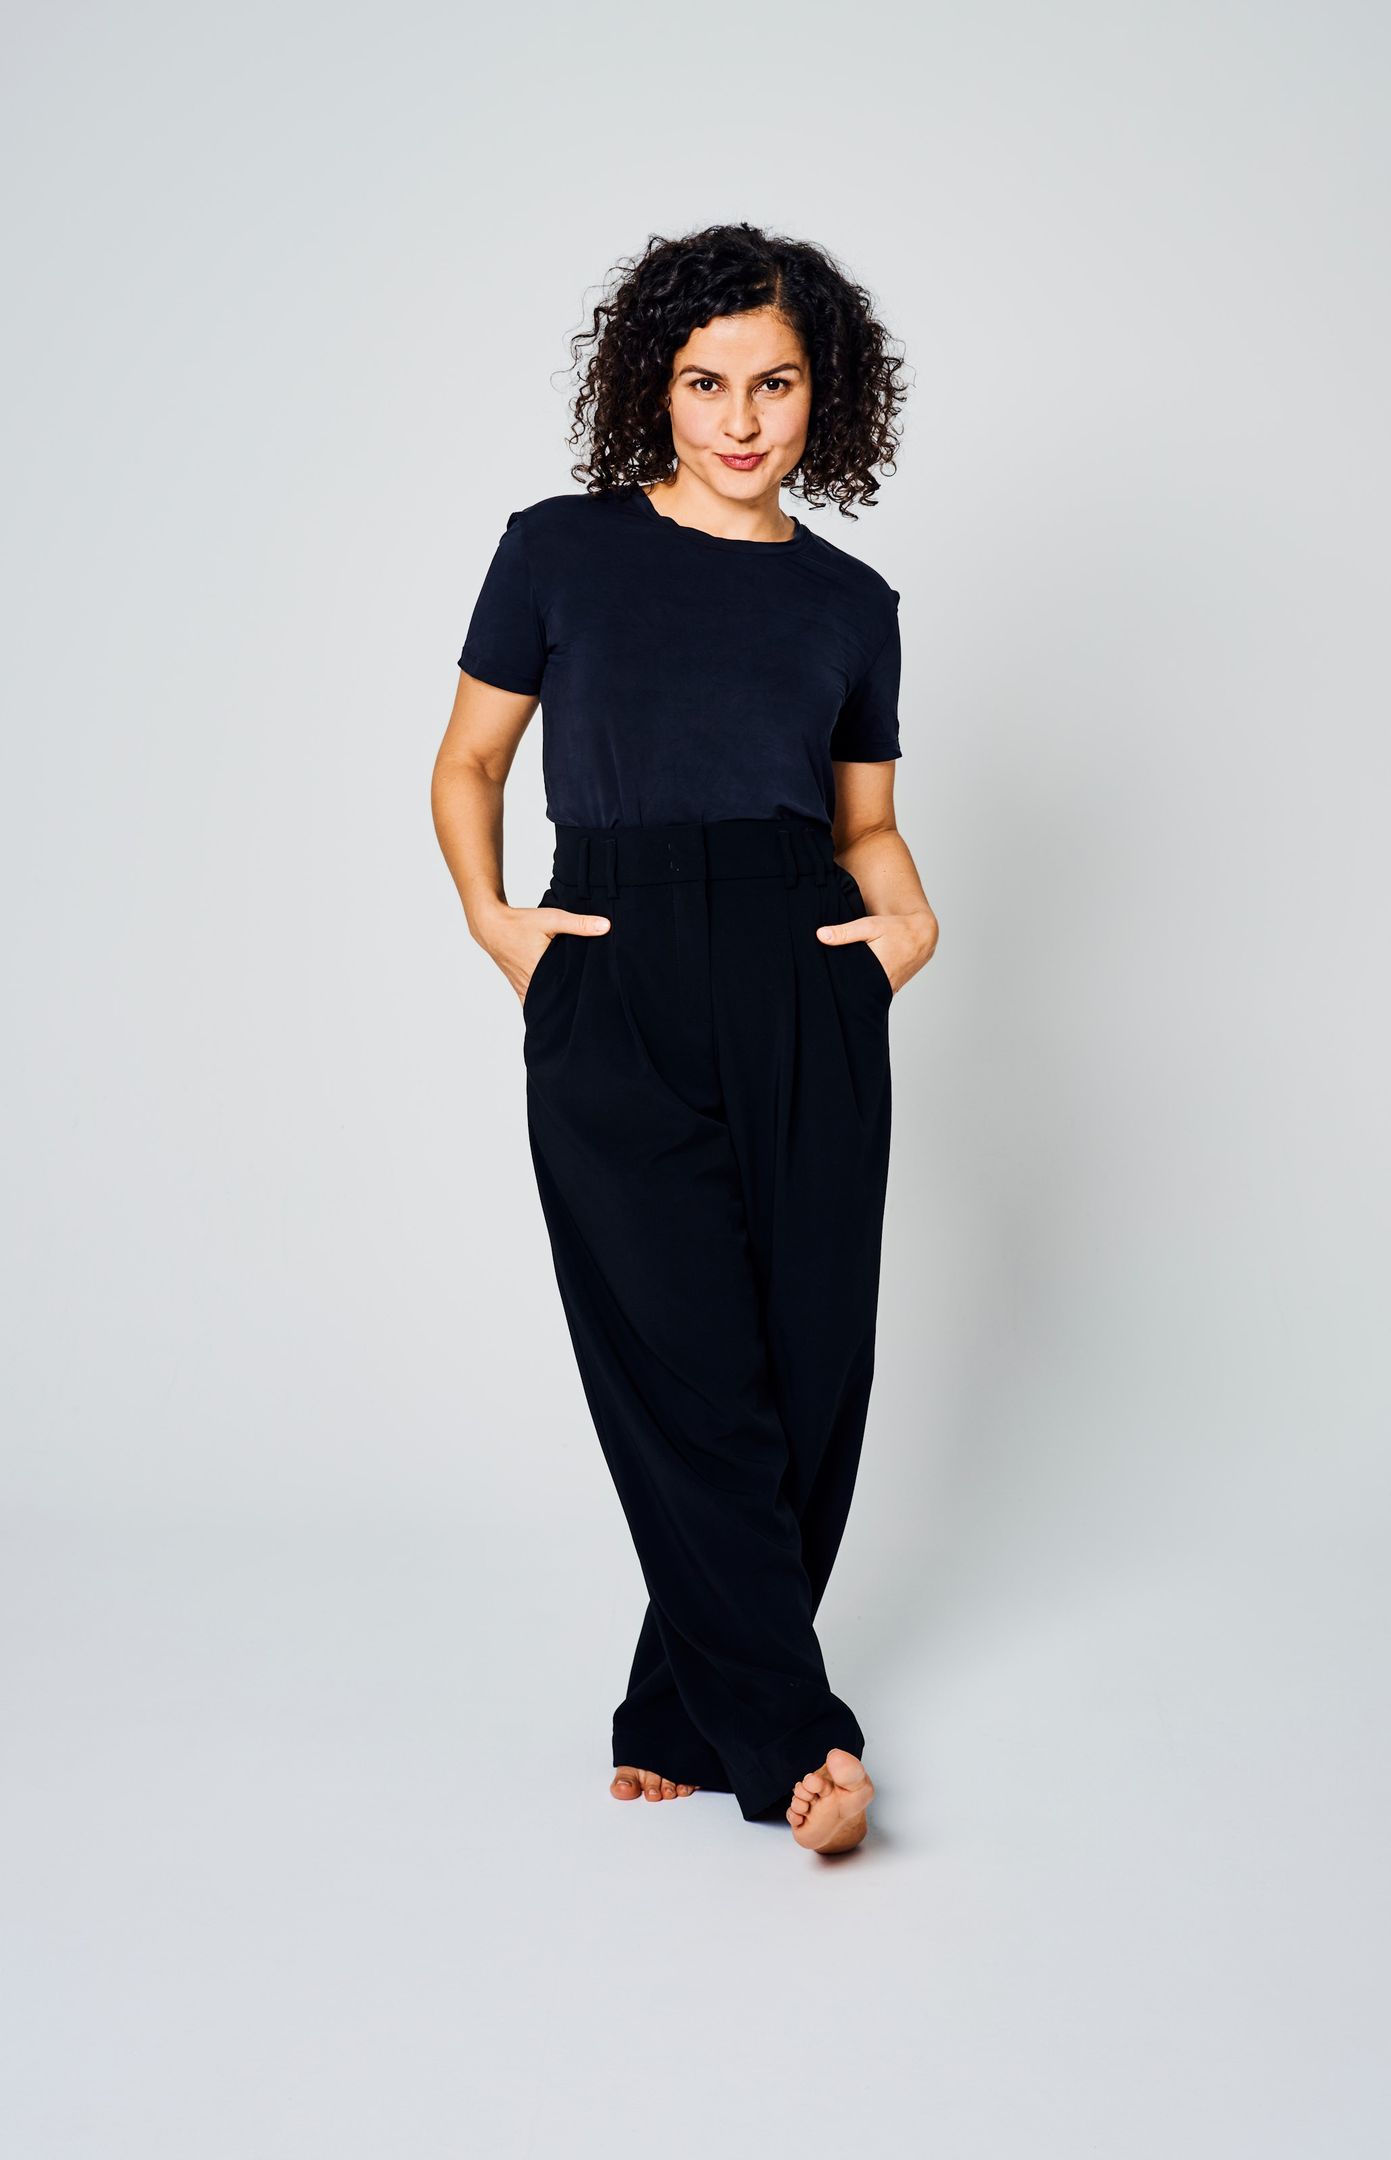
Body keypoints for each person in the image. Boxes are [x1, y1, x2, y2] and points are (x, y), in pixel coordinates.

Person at [431, 221, 939, 1856]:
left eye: (774, 384)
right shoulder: (559, 551)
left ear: (822, 392)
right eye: (707, 382)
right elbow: (469, 764)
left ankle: (678, 1708)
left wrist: (909, 927)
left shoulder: (851, 603)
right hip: (617, 966)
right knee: (684, 1367)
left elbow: (866, 826)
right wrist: (495, 919)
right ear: (653, 387)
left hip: (804, 975)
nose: (740, 418)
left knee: (811, 1369)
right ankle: (798, 1748)